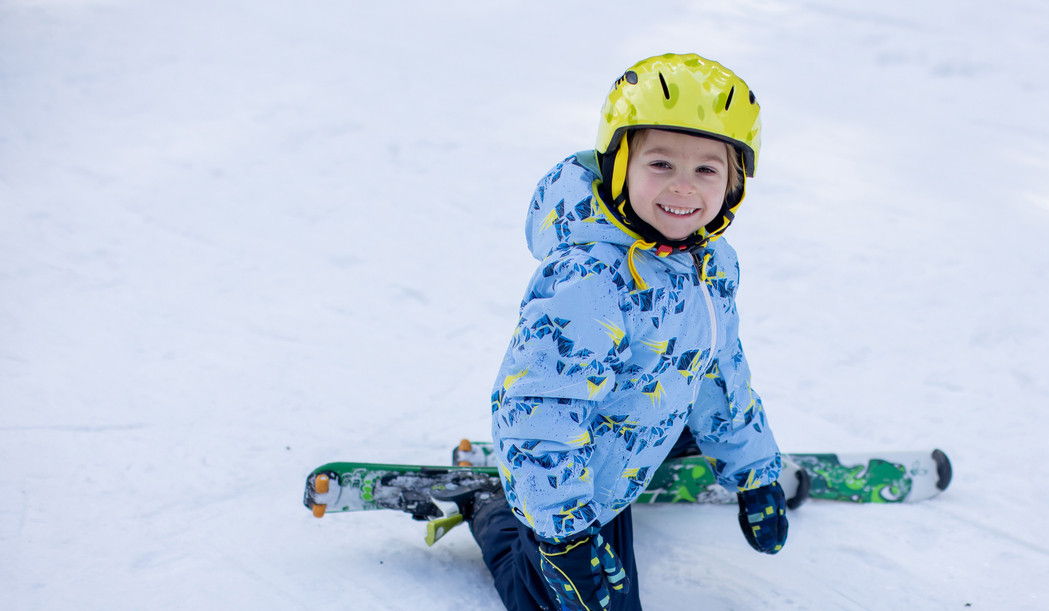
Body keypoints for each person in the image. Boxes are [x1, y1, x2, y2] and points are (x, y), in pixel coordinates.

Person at [459, 53, 788, 611]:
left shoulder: (712, 263)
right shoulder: (588, 279)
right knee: (539, 594)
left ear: (733, 183)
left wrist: (753, 471)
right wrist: (564, 537)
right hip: (581, 473)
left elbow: (717, 370)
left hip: (646, 422)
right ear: (620, 165)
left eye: (706, 170)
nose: (683, 188)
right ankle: (497, 507)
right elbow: (541, 405)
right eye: (660, 164)